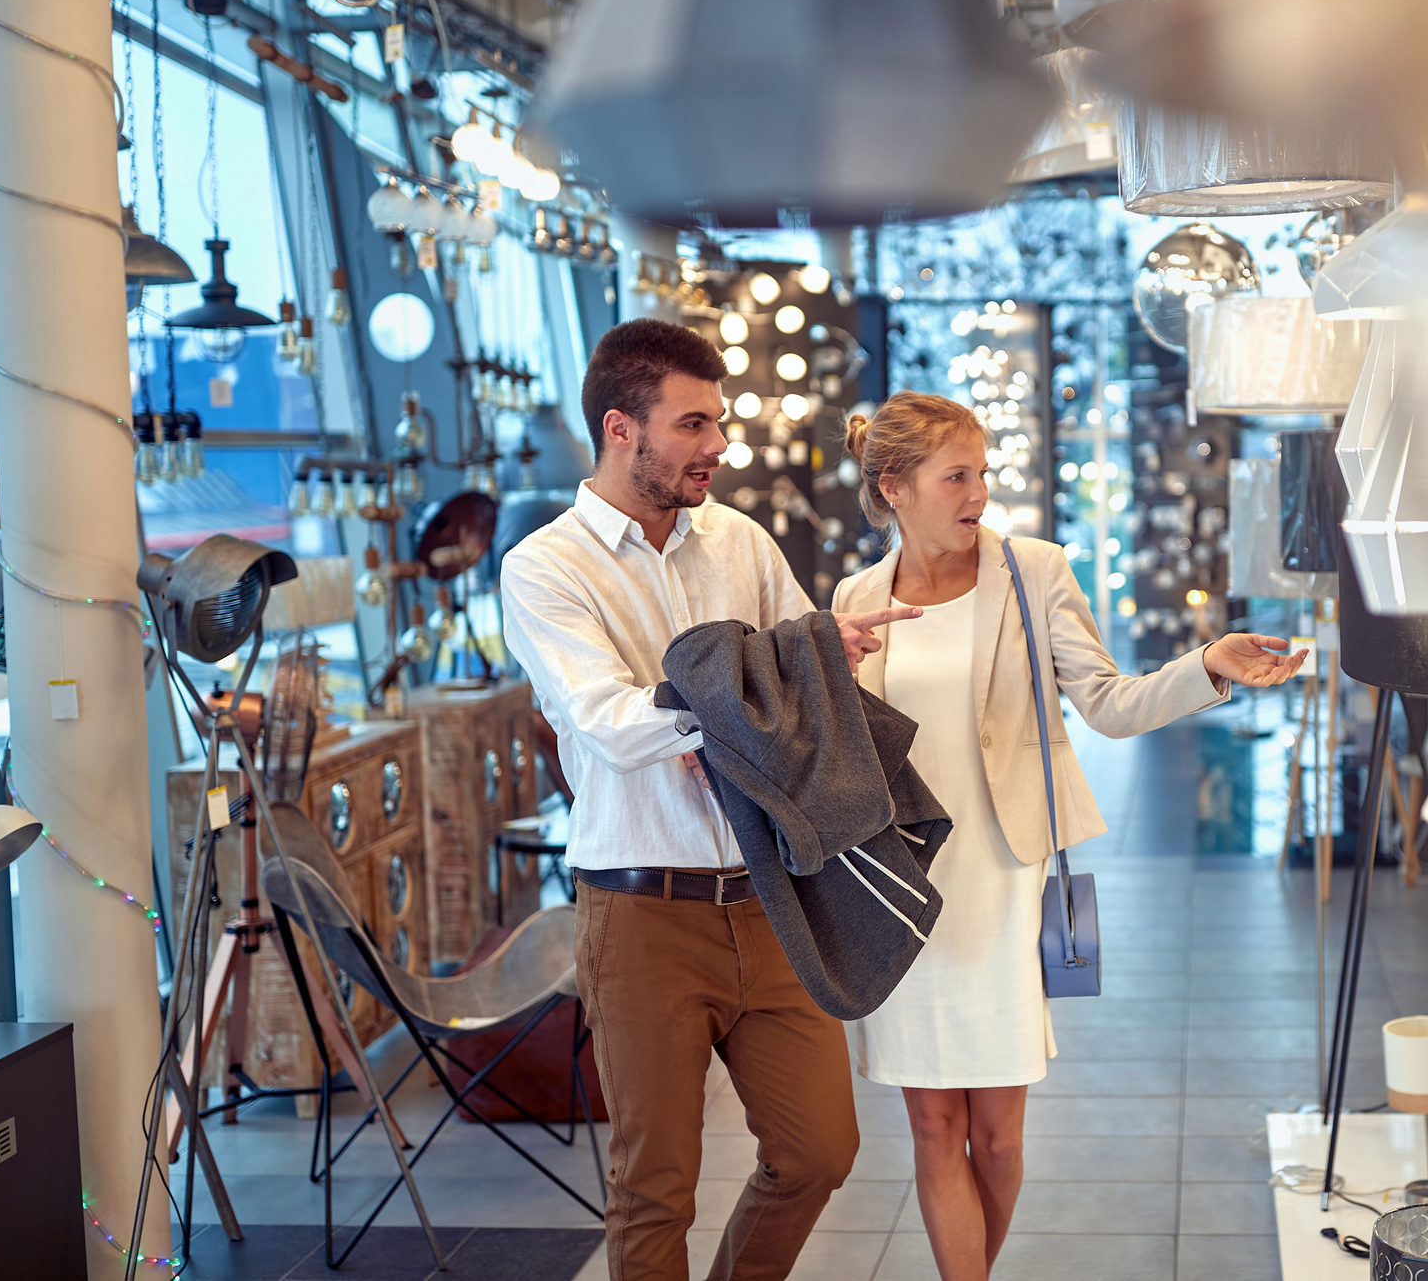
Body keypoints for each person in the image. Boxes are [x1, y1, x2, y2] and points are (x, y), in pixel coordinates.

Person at [831, 393, 1304, 1281]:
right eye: (957, 476)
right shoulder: (857, 598)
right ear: (894, 487)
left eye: (983, 473)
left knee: (997, 1138)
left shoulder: (1031, 571)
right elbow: (843, 747)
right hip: (906, 889)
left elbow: (1108, 704)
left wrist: (1204, 665)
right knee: (932, 1127)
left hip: (1004, 876)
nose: (979, 494)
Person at [499, 319, 918, 1281]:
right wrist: (741, 704)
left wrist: (751, 694)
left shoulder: (740, 540)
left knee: (819, 1150)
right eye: (693, 425)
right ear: (621, 429)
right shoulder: (544, 567)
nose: (718, 446)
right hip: (641, 911)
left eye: (717, 421)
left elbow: (799, 697)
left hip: (770, 897)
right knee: (654, 1190)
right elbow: (608, 722)